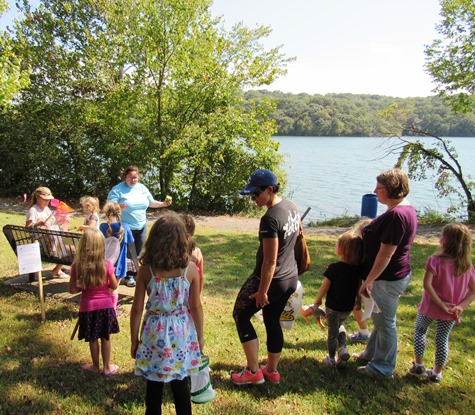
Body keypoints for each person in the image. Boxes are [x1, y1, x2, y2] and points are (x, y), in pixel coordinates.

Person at [130, 213, 203, 415]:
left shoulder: (147, 270)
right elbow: (196, 307)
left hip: (154, 334)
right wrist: (200, 337)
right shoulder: (190, 270)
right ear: (183, 239)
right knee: (181, 384)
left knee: (154, 386)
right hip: (182, 334)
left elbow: (136, 309)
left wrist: (134, 340)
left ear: (153, 240)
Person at [231, 169, 299, 385]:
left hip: (272, 280)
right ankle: (271, 371)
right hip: (290, 277)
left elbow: (270, 261)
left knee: (241, 315)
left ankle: (253, 372)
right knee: (271, 320)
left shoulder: (269, 219)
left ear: (270, 190)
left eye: (256, 194)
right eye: (250, 195)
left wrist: (262, 292)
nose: (253, 199)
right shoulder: (292, 207)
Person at [355, 168, 418, 379]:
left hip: (386, 278)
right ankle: (371, 354)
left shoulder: (398, 215)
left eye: (379, 188)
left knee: (385, 323)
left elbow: (385, 254)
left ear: (392, 189)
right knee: (379, 319)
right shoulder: (401, 209)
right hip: (391, 276)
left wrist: (369, 280)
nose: (375, 191)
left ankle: (382, 368)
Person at [409, 223, 475, 383]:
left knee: (420, 331)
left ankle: (418, 365)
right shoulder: (466, 266)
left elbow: (427, 285)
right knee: (442, 339)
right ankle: (436, 374)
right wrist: (460, 306)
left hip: (430, 307)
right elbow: (473, 291)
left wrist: (440, 303)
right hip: (450, 311)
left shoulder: (435, 261)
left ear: (445, 241)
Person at [305, 232, 365, 368]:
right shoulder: (357, 270)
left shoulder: (334, 268)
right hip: (347, 307)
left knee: (332, 334)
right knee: (340, 325)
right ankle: (342, 347)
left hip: (333, 308)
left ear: (343, 250)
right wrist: (358, 301)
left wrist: (317, 301)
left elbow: (324, 287)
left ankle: (332, 358)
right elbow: (359, 287)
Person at [107, 165, 172, 287]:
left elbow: (150, 202)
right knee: (126, 252)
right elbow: (109, 206)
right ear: (125, 177)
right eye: (130, 177)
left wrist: (163, 204)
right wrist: (118, 207)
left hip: (141, 225)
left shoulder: (142, 188)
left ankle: (134, 272)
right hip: (125, 227)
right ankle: (128, 276)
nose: (133, 180)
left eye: (135, 177)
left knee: (138, 251)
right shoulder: (117, 189)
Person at [68, 229, 120, 376]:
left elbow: (72, 289)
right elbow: (114, 285)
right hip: (106, 307)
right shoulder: (107, 264)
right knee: (106, 337)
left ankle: (95, 366)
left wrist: (82, 285)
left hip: (88, 307)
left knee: (92, 338)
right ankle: (108, 367)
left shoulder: (77, 266)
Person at [100, 201, 135, 309]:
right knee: (114, 288)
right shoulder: (125, 227)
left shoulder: (102, 227)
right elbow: (131, 244)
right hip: (119, 264)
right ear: (119, 212)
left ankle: (105, 306)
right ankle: (112, 309)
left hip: (104, 263)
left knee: (105, 287)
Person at [25, 186, 66, 278]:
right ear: (37, 197)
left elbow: (53, 221)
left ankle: (58, 265)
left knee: (67, 244)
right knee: (67, 249)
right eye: (44, 199)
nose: (47, 201)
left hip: (52, 237)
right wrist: (38, 224)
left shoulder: (46, 209)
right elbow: (28, 227)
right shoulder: (33, 210)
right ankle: (57, 259)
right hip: (40, 239)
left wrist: (62, 220)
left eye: (48, 200)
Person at [180, 214, 205, 292]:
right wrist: (197, 296)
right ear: (193, 232)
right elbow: (200, 277)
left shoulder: (170, 250)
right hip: (190, 294)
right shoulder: (196, 252)